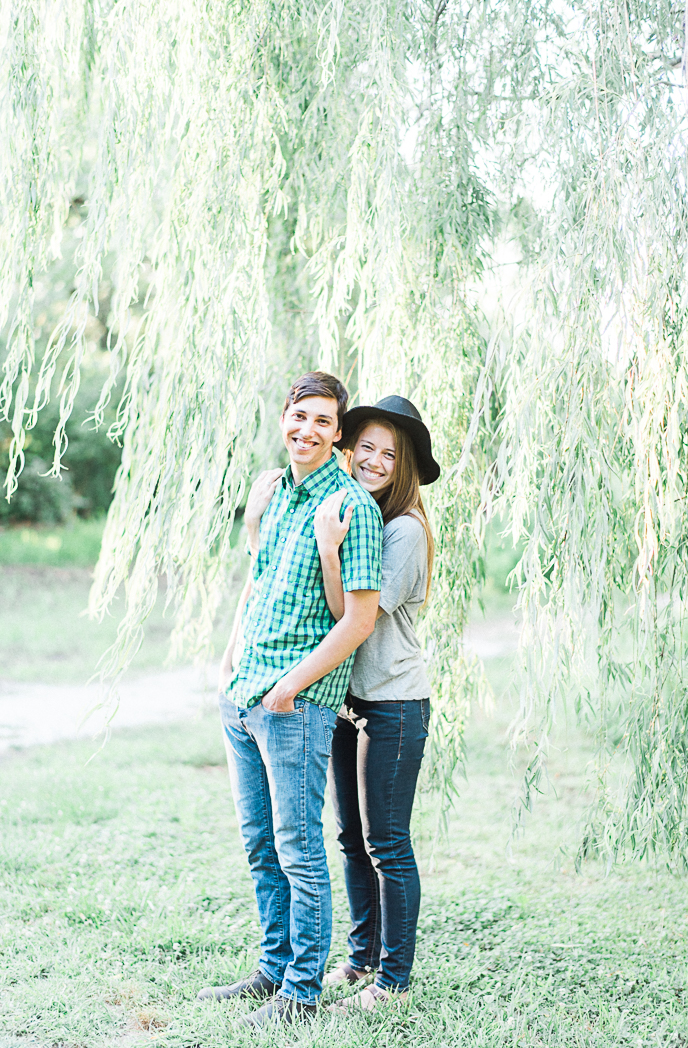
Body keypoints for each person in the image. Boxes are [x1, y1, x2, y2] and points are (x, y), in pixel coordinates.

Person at [197, 372, 383, 1028]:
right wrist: (229, 655)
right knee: (261, 846)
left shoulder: (351, 508)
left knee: (299, 850)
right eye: (299, 415)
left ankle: (300, 993)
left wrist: (290, 683)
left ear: (338, 434)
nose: (307, 429)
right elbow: (260, 576)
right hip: (243, 692)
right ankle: (271, 970)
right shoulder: (278, 491)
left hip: (293, 706)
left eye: (322, 421)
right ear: (285, 416)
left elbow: (357, 621)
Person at [312, 394, 440, 1012]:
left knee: (387, 841)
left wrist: (331, 551)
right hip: (350, 700)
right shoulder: (364, 517)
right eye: (367, 447)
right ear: (350, 448)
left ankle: (393, 981)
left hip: (393, 703)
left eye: (390, 454)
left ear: (403, 465)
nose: (376, 460)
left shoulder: (405, 530)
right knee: (350, 835)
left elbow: (354, 620)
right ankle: (361, 960)